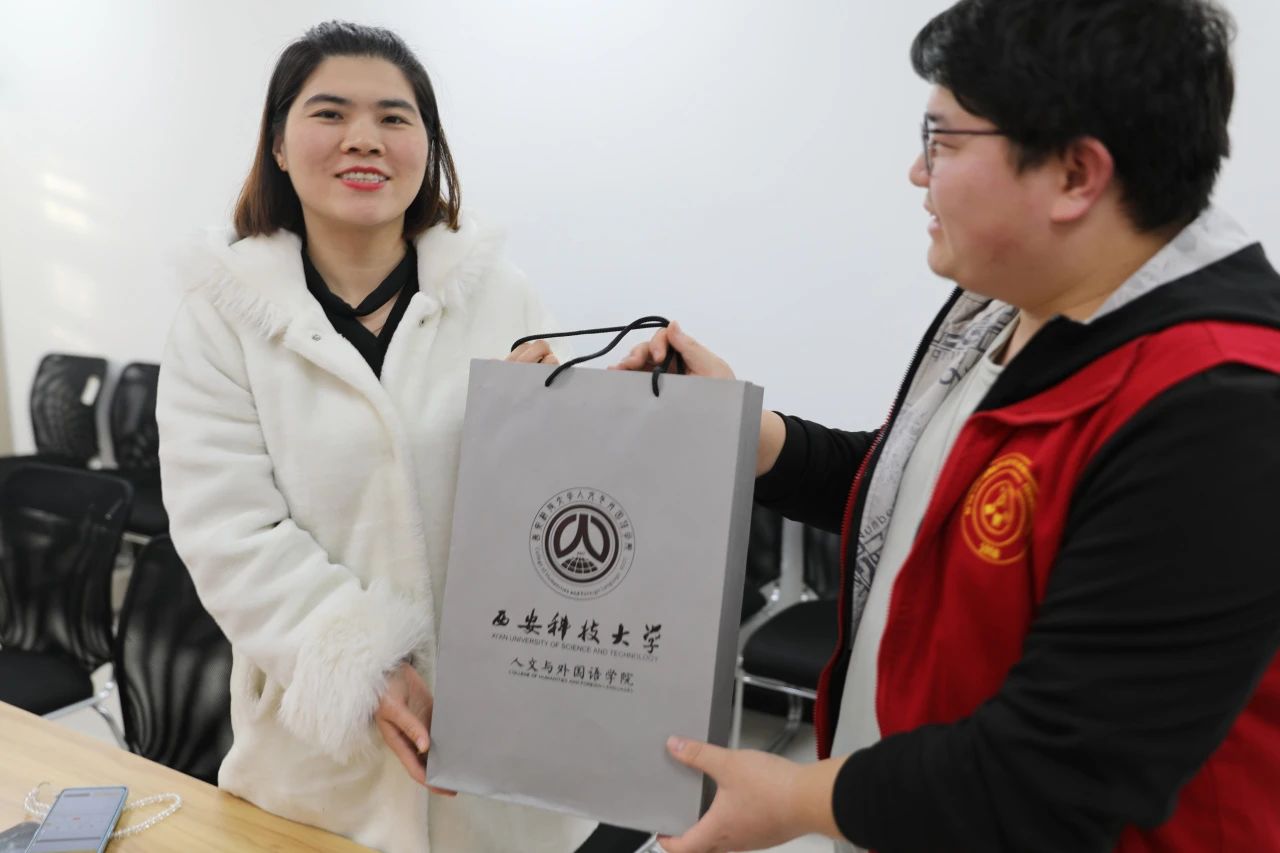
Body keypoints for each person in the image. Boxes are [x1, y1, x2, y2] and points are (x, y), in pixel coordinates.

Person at [616, 1, 1280, 850]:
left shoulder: (1222, 404)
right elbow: (918, 491)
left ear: (1075, 174)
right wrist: (748, 434)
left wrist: (796, 796)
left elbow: (1057, 772)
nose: (916, 172)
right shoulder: (1002, 304)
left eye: (943, 141)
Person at [157, 21, 591, 853]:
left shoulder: (500, 296)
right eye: (330, 113)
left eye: (395, 117)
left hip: (498, 743)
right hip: (320, 765)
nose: (365, 138)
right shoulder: (222, 317)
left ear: (428, 145)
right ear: (278, 145)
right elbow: (227, 531)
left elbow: (558, 509)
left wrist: (576, 421)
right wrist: (363, 664)